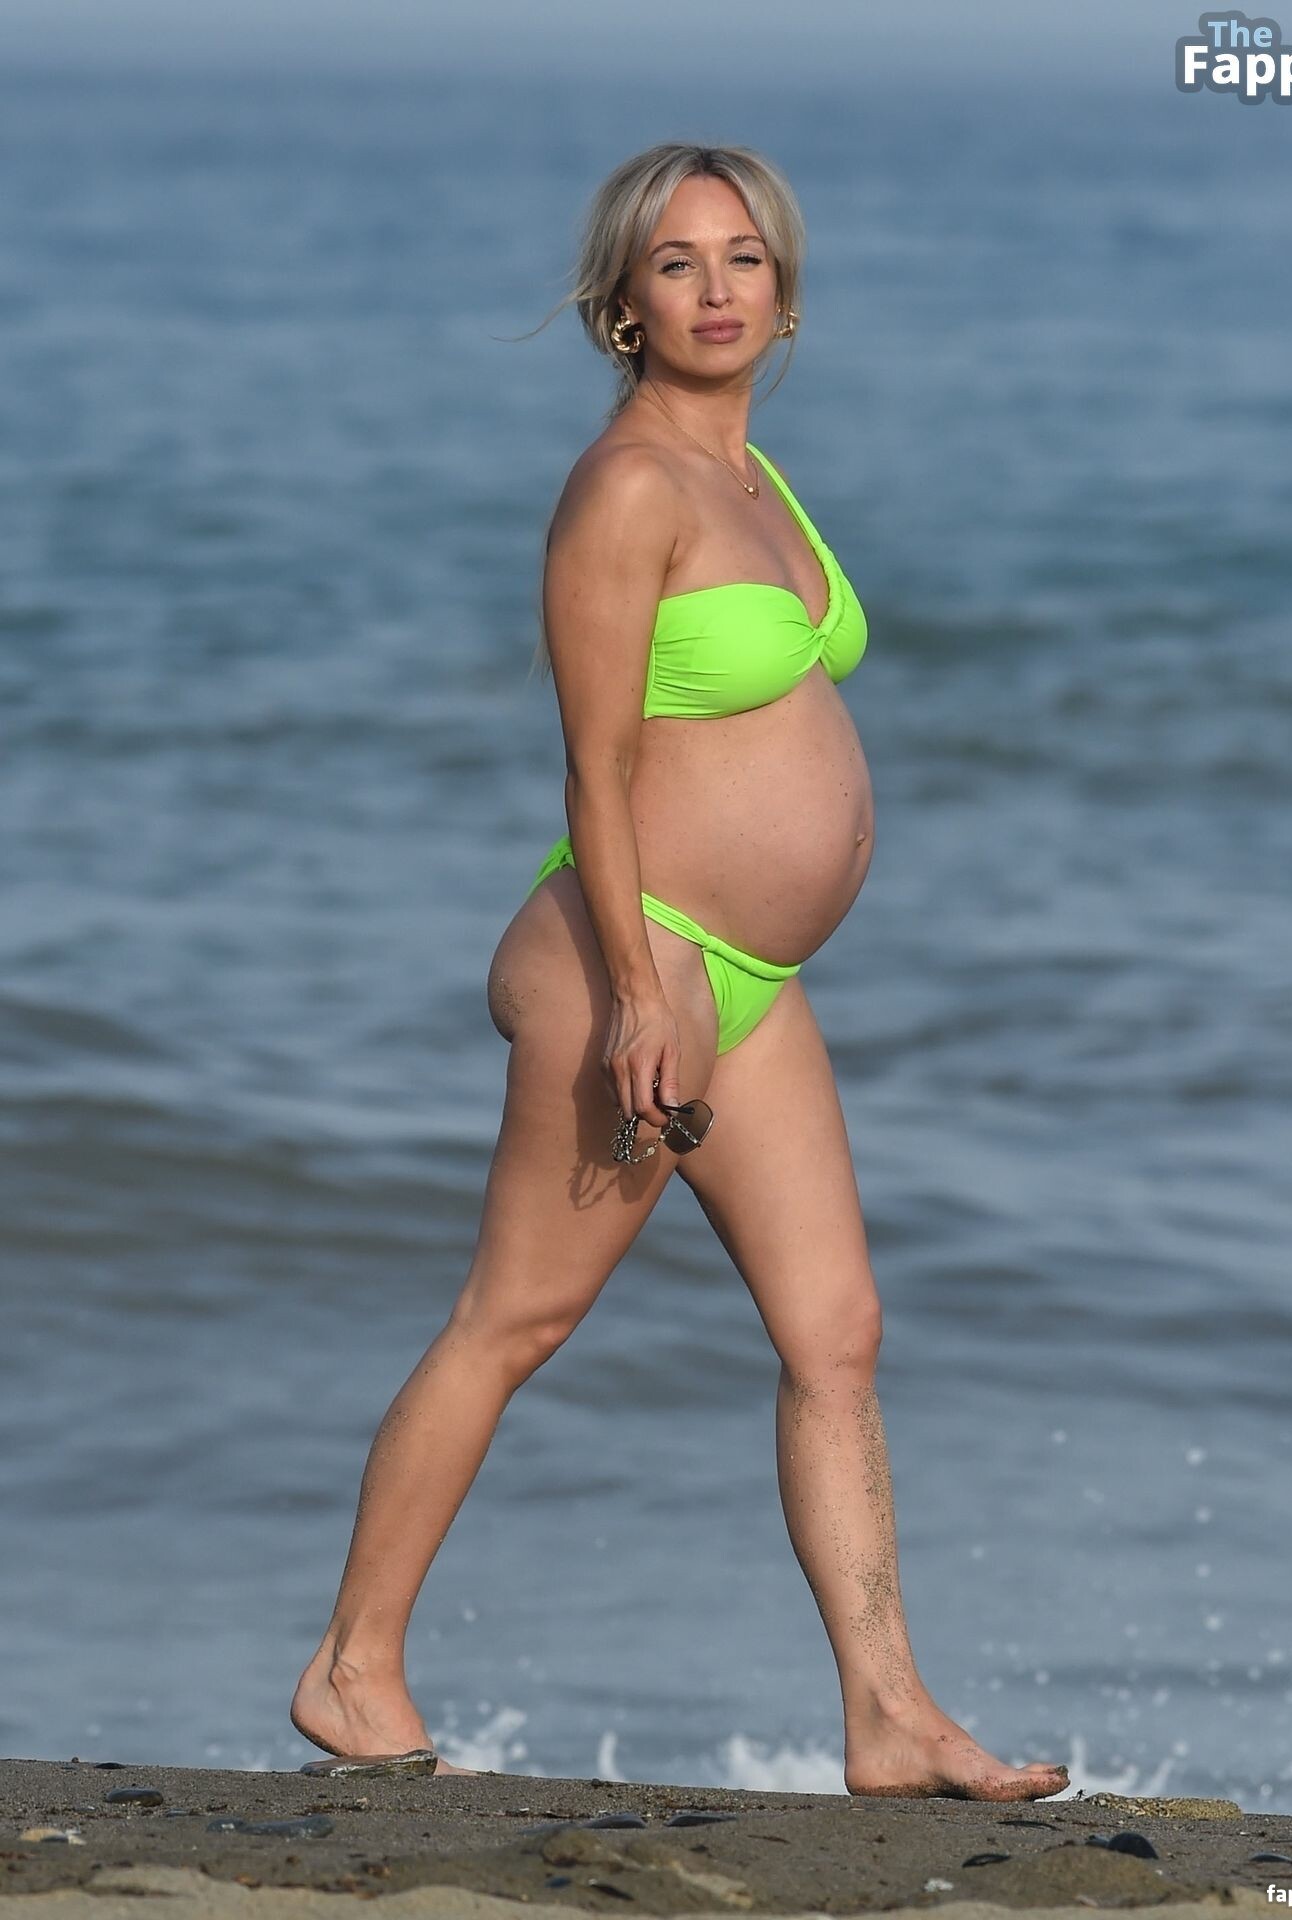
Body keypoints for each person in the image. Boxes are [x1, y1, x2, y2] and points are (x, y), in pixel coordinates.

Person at [290, 141, 1070, 1803]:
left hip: (753, 979)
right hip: (632, 958)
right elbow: (592, 765)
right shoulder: (627, 487)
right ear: (618, 307)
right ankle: (352, 1667)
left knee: (835, 1332)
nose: (716, 290)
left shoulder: (754, 477)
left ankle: (888, 1713)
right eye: (675, 263)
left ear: (784, 298)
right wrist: (643, 995)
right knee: (516, 1316)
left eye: (744, 260)